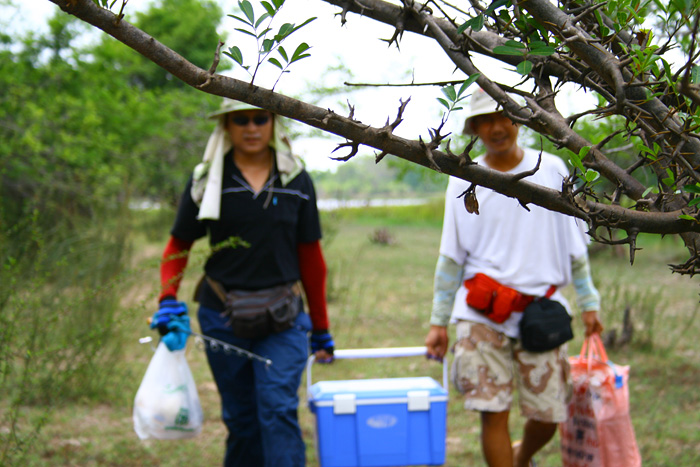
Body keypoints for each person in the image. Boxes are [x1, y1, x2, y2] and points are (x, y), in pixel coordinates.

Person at [150, 98, 335, 467]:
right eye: (241, 120)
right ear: (227, 127)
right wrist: (168, 297)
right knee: (241, 417)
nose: (251, 128)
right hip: (223, 317)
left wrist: (320, 327)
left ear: (272, 123)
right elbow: (178, 246)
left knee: (278, 410)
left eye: (260, 118)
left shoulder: (296, 180)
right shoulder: (208, 181)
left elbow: (311, 259)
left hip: (283, 318)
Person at [424, 88, 604, 467]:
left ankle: (521, 458)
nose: (495, 127)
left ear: (517, 118)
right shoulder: (464, 178)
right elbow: (451, 257)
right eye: (484, 120)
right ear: (474, 128)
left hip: (542, 310)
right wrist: (438, 321)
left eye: (502, 115)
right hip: (482, 313)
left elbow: (575, 246)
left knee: (547, 415)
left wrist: (588, 303)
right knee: (493, 412)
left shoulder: (552, 169)